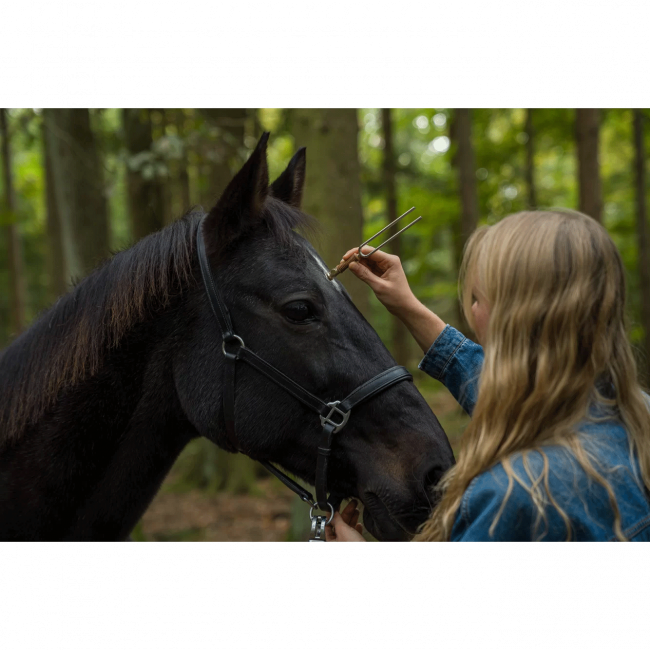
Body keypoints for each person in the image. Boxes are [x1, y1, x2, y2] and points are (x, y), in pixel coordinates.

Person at [326, 210, 650, 542]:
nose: (473, 309)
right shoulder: (634, 417)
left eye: (477, 299)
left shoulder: (513, 498)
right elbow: (508, 389)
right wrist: (408, 306)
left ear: (513, 320)